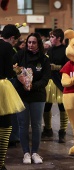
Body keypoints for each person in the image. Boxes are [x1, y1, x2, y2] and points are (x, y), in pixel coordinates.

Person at [13, 32, 51, 164]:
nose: (31, 44)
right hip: (22, 95)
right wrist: (23, 83)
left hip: (38, 96)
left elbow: (46, 79)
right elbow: (13, 74)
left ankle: (35, 152)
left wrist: (32, 86)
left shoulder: (44, 59)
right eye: (29, 42)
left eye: (34, 42)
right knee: (23, 125)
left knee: (36, 125)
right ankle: (26, 153)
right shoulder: (19, 56)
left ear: (38, 44)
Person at [0, 24, 25, 170]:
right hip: (2, 87)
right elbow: (9, 71)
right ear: (11, 38)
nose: (14, 43)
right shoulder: (7, 47)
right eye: (15, 41)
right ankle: (1, 163)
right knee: (6, 126)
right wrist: (16, 70)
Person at [41, 28, 69, 143]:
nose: (50, 39)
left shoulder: (66, 50)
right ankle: (48, 129)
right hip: (50, 81)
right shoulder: (49, 50)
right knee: (46, 107)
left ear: (59, 38)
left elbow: (68, 66)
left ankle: (62, 131)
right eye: (50, 37)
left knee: (63, 107)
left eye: (52, 37)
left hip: (61, 81)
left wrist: (56, 67)